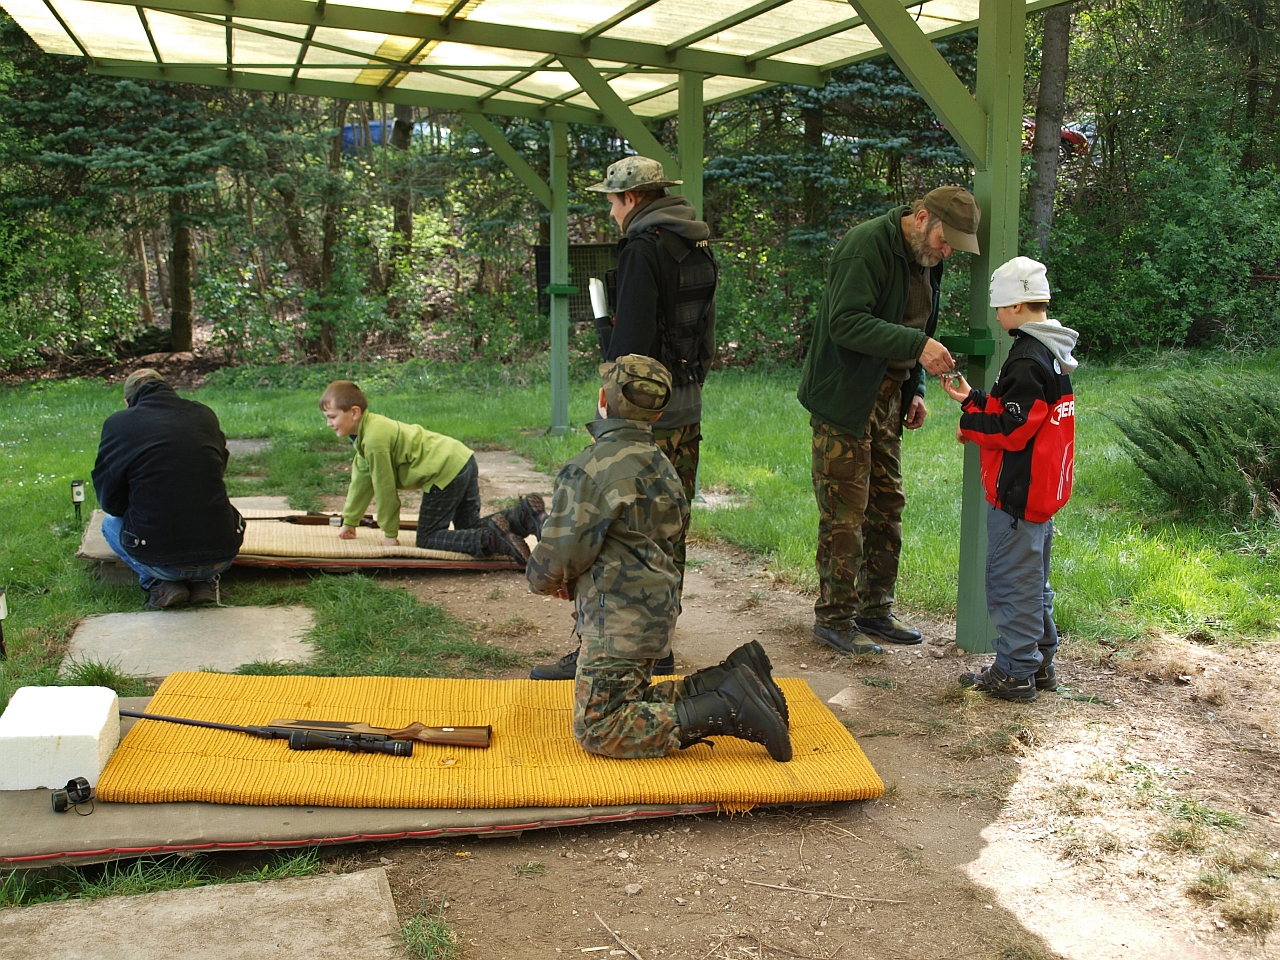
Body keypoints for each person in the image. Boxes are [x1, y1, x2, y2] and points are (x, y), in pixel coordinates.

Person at [526, 355, 791, 762]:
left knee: (600, 726)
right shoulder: (664, 465)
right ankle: (731, 679)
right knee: (629, 700)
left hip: (616, 622)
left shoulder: (589, 468)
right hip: (655, 611)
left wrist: (546, 579)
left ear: (603, 400)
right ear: (659, 412)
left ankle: (729, 705)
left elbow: (560, 554)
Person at [530, 156, 717, 681]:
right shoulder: (698, 245)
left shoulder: (642, 248)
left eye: (611, 202)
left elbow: (632, 340)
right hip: (685, 407)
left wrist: (612, 393)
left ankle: (599, 648)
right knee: (668, 531)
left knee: (611, 532)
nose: (611, 212)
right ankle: (660, 646)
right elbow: (704, 334)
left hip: (640, 415)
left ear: (631, 198)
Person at [797, 186, 981, 656]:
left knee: (887, 504)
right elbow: (846, 323)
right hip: (845, 398)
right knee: (846, 512)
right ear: (921, 218)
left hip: (888, 399)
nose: (946, 253)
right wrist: (917, 349)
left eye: (954, 248)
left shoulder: (926, 257)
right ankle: (835, 619)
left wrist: (914, 388)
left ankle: (874, 611)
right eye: (944, 241)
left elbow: (918, 326)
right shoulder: (866, 247)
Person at [940, 257, 1078, 701]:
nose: (997, 317)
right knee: (1033, 585)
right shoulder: (1050, 352)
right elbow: (1020, 410)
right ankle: (1040, 665)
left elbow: (1013, 430)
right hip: (1039, 495)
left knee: (1011, 584)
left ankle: (1015, 673)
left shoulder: (1026, 359)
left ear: (1016, 305)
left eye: (999, 308)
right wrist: (973, 399)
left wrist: (969, 424)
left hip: (1017, 496)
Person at [319, 380, 541, 562]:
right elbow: (361, 482)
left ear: (354, 412)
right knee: (468, 527)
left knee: (428, 537)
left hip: (443, 471)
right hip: (461, 458)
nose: (328, 423)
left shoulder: (375, 440)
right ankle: (523, 515)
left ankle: (490, 539)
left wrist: (390, 534)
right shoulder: (366, 435)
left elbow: (385, 490)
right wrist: (350, 521)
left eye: (332, 417)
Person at [92, 369, 244, 609]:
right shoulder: (204, 414)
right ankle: (205, 580)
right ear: (170, 390)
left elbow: (110, 502)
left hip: (159, 560)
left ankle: (158, 582)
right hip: (222, 555)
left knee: (109, 524)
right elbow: (216, 470)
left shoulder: (119, 424)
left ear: (128, 402)